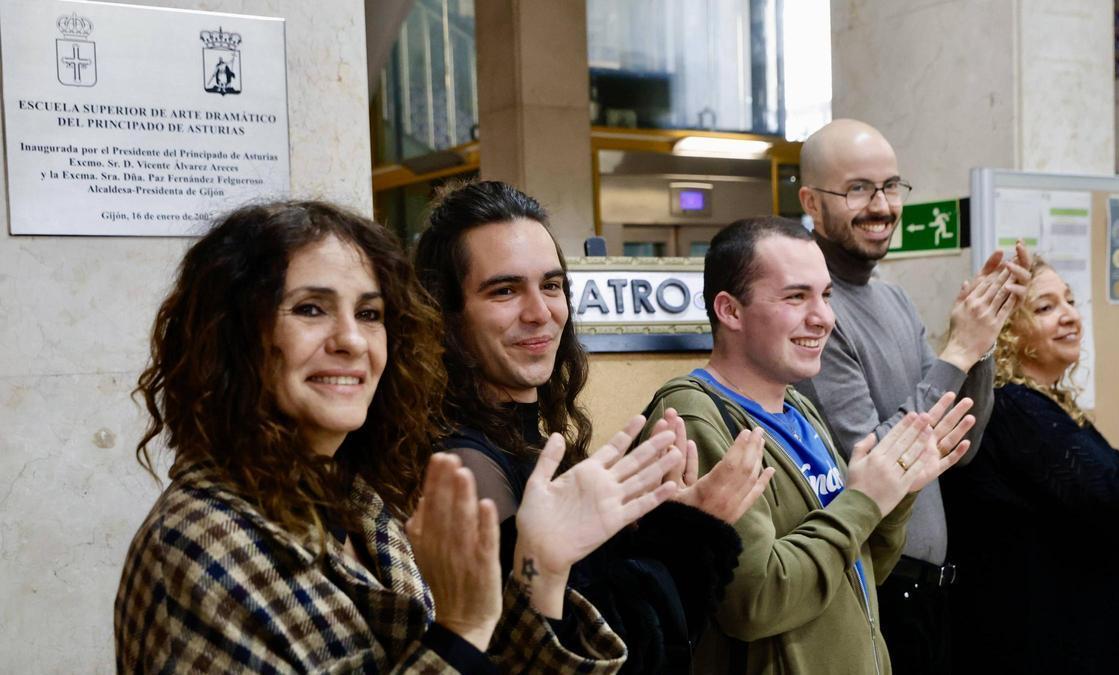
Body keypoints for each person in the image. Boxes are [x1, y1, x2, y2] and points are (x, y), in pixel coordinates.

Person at [113, 200, 688, 673]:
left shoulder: (359, 505)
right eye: (310, 309)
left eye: (369, 314)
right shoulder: (201, 543)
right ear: (229, 338)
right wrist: (461, 629)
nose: (351, 341)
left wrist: (541, 570)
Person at [413, 180, 774, 674]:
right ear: (446, 314)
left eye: (552, 285)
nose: (540, 312)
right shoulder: (463, 466)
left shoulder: (528, 443)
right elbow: (585, 658)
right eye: (504, 290)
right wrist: (687, 537)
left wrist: (664, 527)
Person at [640, 215, 976, 674]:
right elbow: (754, 603)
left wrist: (894, 493)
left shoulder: (798, 407)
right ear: (730, 310)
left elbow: (858, 572)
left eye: (826, 295)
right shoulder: (694, 417)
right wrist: (862, 501)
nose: (823, 318)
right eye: (796, 297)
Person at [794, 118, 1031, 674]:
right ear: (810, 200)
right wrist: (956, 353)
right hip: (876, 588)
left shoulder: (894, 297)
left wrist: (979, 344)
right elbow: (876, 463)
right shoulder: (814, 316)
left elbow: (959, 449)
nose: (881, 205)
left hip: (931, 591)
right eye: (858, 188)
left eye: (891, 186)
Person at [942, 258, 1119, 674]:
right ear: (1006, 331)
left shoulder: (1043, 406)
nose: (1070, 316)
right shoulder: (1013, 409)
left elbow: (1113, 489)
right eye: (1045, 308)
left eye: (1071, 301)